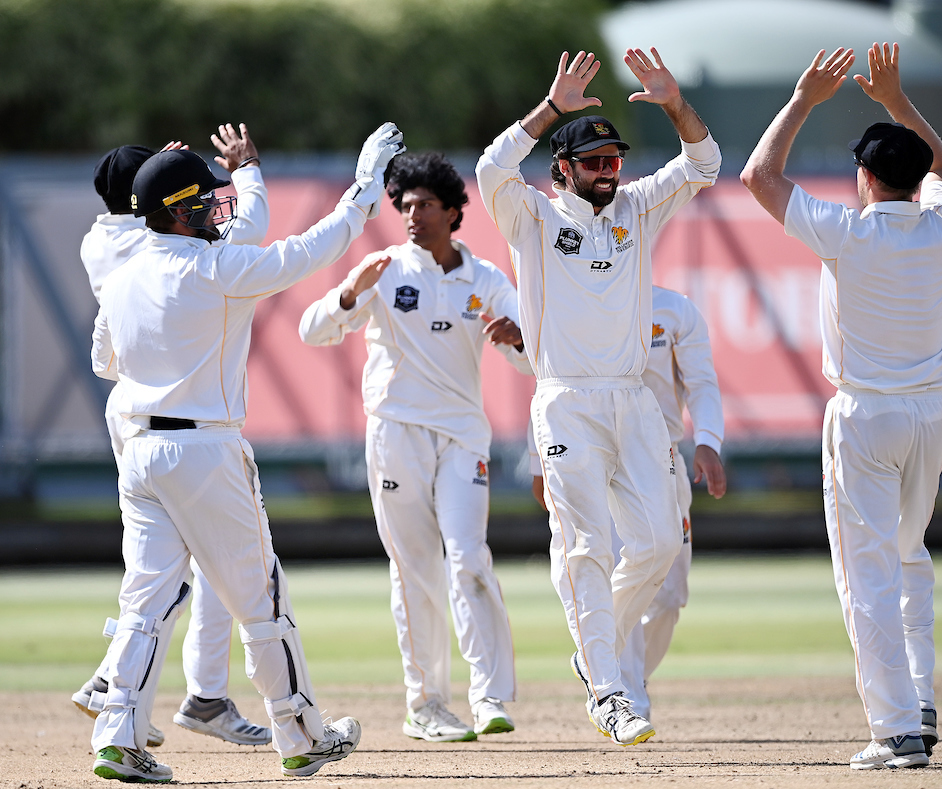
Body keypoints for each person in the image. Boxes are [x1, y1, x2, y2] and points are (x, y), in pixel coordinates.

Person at [88, 122, 405, 782]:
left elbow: (105, 362)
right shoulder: (215, 268)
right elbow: (314, 248)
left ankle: (117, 736)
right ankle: (300, 733)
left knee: (144, 602)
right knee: (261, 597)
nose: (215, 208)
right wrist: (366, 184)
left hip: (140, 452)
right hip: (204, 449)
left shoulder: (121, 277)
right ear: (176, 210)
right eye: (203, 200)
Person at [475, 48, 721, 746]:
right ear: (564, 170)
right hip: (566, 403)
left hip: (633, 402)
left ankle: (594, 654)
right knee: (584, 545)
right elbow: (492, 168)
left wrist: (675, 104)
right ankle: (611, 690)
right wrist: (552, 107)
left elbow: (705, 165)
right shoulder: (531, 217)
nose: (609, 171)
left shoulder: (638, 208)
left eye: (614, 160)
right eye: (594, 162)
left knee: (657, 545)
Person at [740, 43, 942, 770]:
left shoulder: (849, 230)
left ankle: (896, 728)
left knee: (866, 573)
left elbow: (758, 176)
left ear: (864, 178)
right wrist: (895, 101)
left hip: (866, 416)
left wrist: (804, 97)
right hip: (930, 412)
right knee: (908, 555)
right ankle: (919, 702)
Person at [299, 152, 530, 742]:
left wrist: (519, 341)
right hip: (395, 433)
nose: (412, 215)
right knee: (415, 570)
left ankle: (490, 698)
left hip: (460, 436)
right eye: (404, 205)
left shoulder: (485, 280)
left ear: (454, 212)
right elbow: (313, 332)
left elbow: (536, 358)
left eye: (425, 205)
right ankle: (426, 705)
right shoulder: (384, 269)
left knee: (469, 557)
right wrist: (349, 294)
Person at [73, 123, 271, 749]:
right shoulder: (137, 246)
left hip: (142, 403)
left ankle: (179, 691)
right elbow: (236, 234)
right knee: (179, 565)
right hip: (161, 412)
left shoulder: (110, 237)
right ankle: (141, 686)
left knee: (174, 565)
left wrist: (162, 175)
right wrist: (237, 175)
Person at [528, 285, 726, 721]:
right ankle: (624, 691)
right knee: (611, 561)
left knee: (668, 592)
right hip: (597, 457)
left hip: (661, 459)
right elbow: (550, 380)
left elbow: (702, 382)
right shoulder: (580, 299)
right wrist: (537, 460)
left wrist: (708, 440)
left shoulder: (675, 310)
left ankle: (601, 656)